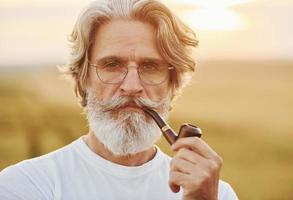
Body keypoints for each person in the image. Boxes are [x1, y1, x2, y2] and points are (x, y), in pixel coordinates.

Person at [0, 0, 238, 199]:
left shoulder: (217, 194)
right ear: (83, 79)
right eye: (112, 65)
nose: (132, 87)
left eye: (150, 66)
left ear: (173, 84)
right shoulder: (25, 187)